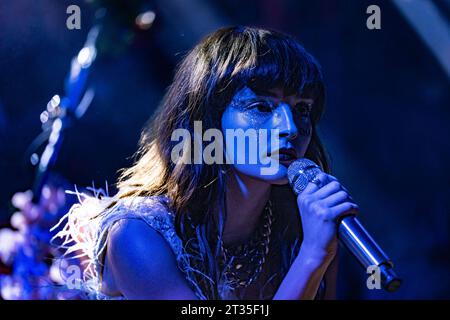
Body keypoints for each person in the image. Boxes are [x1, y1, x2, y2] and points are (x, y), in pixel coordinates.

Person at [53, 26, 359, 300]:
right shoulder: (138, 235)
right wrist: (311, 257)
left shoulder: (299, 230)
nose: (290, 128)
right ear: (207, 118)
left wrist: (316, 253)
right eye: (262, 106)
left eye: (302, 110)